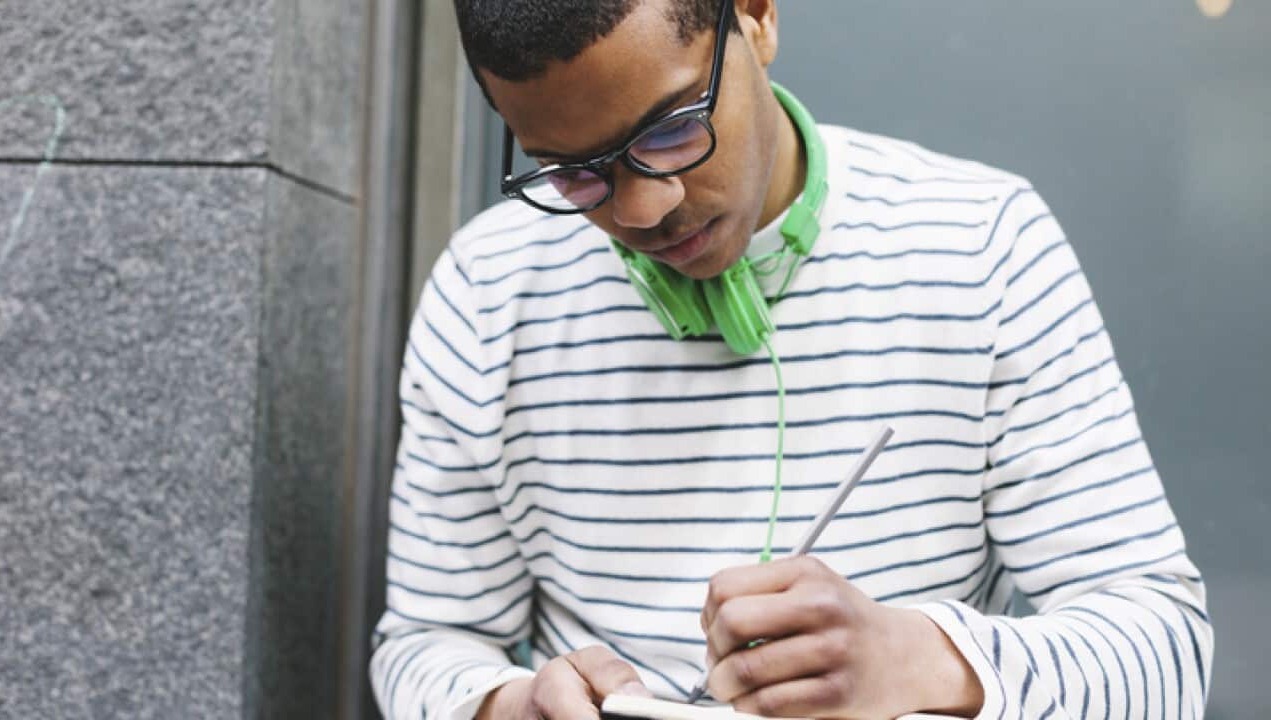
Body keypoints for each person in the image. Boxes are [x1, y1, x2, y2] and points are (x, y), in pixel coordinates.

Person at [369, 1, 1213, 718]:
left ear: (758, 15)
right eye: (574, 175)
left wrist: (914, 661)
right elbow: (424, 641)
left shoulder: (983, 243)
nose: (644, 206)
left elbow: (1167, 651)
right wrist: (502, 704)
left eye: (670, 131)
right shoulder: (484, 288)